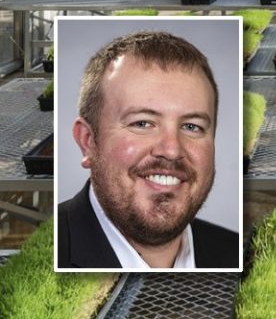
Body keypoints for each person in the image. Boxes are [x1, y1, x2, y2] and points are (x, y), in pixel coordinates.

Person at [57, 31, 238, 269]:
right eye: (142, 123)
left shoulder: (237, 253)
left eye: (191, 127)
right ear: (87, 141)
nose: (171, 150)